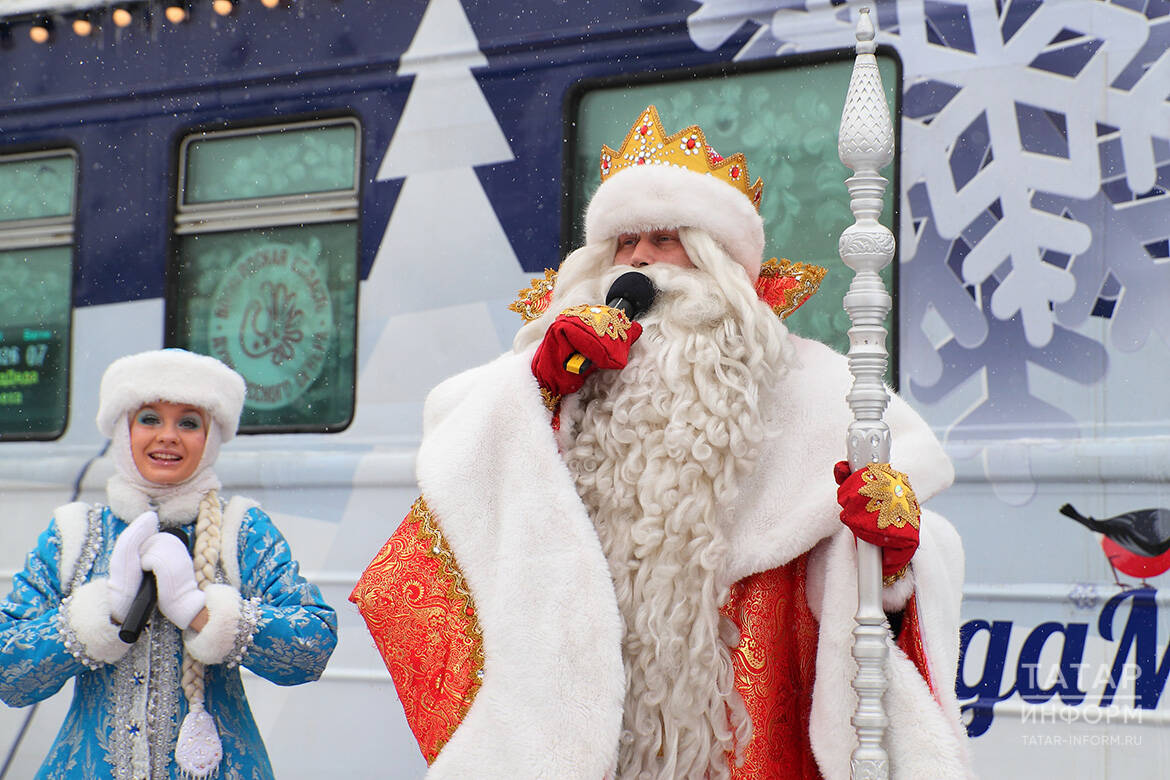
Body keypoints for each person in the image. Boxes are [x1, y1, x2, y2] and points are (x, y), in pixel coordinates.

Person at [350, 105, 973, 779]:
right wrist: (540, 394)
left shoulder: (816, 390)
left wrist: (892, 559)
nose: (640, 257)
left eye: (664, 239)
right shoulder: (551, 376)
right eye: (625, 242)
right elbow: (463, 507)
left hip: (751, 743)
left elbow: (876, 578)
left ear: (717, 262)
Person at [0, 348, 337, 780]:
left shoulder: (242, 530)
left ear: (210, 437)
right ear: (123, 428)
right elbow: (10, 673)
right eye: (149, 419)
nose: (168, 436)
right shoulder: (73, 533)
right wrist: (103, 615)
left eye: (189, 423)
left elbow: (312, 648)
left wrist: (200, 611)